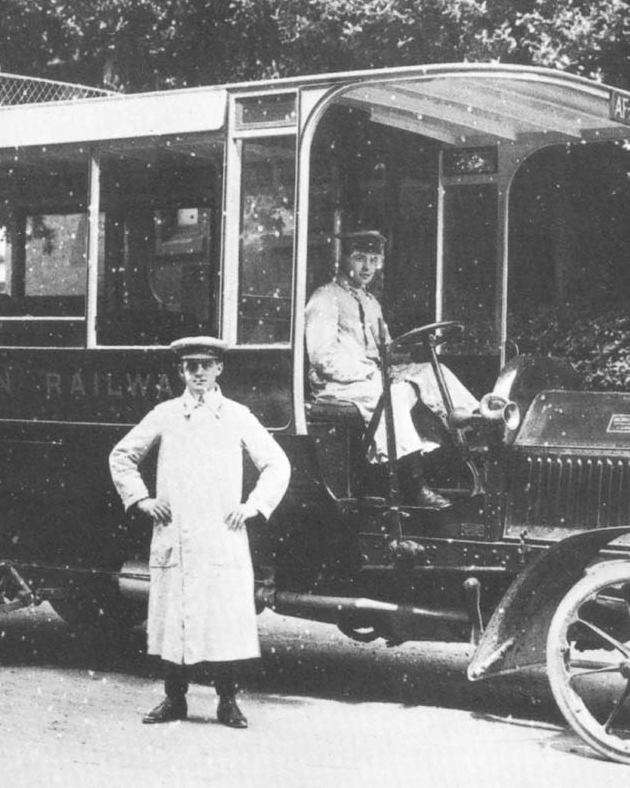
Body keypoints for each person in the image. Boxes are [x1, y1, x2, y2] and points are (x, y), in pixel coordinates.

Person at [109, 336, 291, 729]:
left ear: (219, 369)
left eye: (206, 365)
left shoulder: (237, 415)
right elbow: (122, 456)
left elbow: (277, 463)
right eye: (191, 366)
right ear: (181, 371)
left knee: (222, 621)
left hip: (220, 536)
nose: (199, 373)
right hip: (175, 535)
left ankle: (228, 702)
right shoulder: (166, 413)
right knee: (175, 618)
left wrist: (253, 506)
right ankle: (174, 700)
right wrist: (142, 499)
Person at [304, 231, 480, 509]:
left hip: (374, 376)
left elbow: (385, 349)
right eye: (360, 259)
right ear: (344, 259)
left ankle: (475, 427)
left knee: (432, 372)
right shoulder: (326, 298)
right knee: (394, 395)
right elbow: (322, 357)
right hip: (339, 386)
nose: (367, 268)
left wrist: (413, 351)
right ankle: (413, 484)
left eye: (373, 260)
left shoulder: (371, 303)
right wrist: (369, 371)